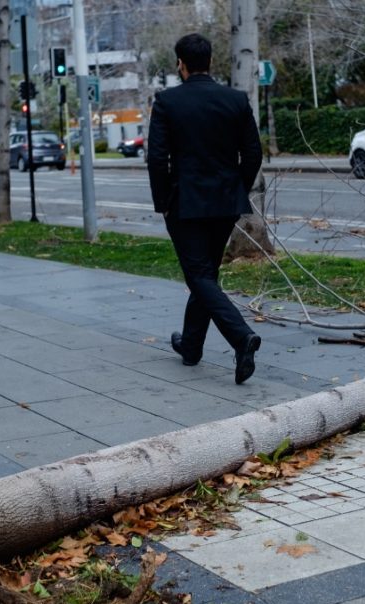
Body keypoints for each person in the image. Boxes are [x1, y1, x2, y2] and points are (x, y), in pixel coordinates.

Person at [147, 33, 264, 384]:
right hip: (225, 202)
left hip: (186, 204)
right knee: (205, 274)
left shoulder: (167, 102)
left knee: (198, 275)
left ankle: (241, 337)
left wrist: (163, 202)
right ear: (210, 62)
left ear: (180, 64)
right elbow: (253, 154)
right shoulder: (236, 100)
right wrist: (236, 188)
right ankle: (191, 346)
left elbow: (156, 159)